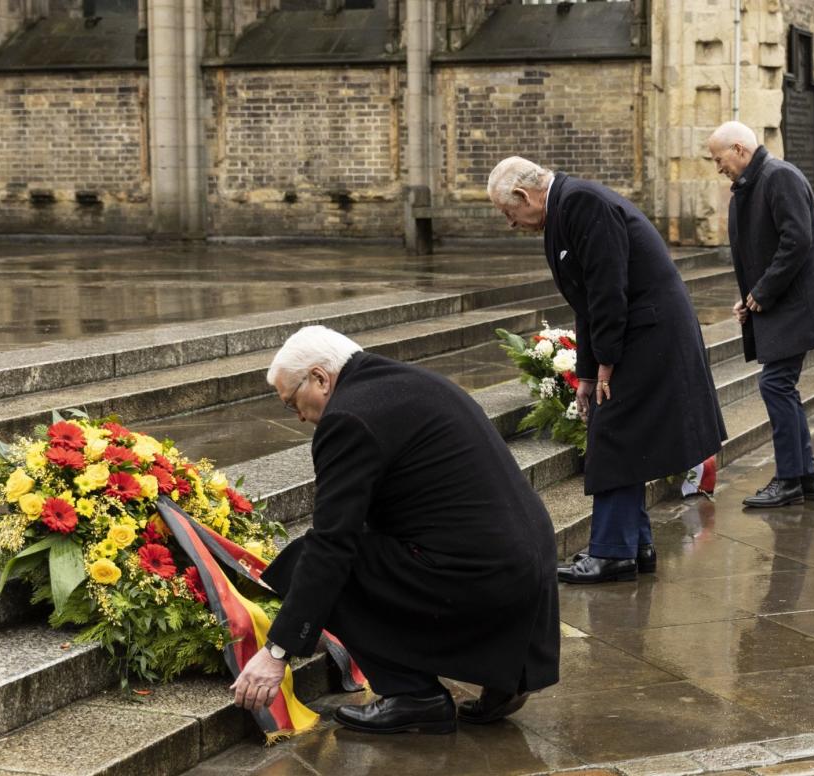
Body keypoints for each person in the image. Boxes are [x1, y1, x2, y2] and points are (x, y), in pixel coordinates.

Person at [230, 326, 560, 733]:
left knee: (309, 559)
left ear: (319, 378)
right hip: (529, 565)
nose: (299, 416)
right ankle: (504, 679)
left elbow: (332, 543)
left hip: (483, 577)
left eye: (292, 403)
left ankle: (412, 695)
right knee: (366, 551)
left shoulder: (347, 417)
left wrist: (278, 650)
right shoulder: (408, 381)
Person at [487, 156, 726, 585]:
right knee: (619, 431)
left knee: (613, 431)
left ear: (524, 196)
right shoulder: (565, 207)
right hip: (638, 329)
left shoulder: (581, 204)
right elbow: (586, 302)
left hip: (648, 332)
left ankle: (612, 552)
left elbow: (607, 291)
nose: (509, 224)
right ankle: (634, 543)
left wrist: (606, 365)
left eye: (508, 213)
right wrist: (586, 374)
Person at [706, 121, 814, 508]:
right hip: (786, 303)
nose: (718, 167)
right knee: (780, 387)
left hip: (797, 304)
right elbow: (763, 249)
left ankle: (790, 480)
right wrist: (749, 297)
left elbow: (797, 239)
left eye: (719, 159)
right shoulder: (754, 183)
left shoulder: (778, 176)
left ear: (739, 149)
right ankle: (805, 477)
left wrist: (763, 292)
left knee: (775, 386)